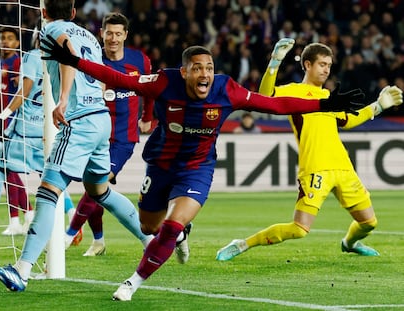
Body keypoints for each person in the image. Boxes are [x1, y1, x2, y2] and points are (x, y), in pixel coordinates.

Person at [34, 33, 367, 301]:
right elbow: (120, 79)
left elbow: (275, 104)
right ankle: (179, 235)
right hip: (162, 165)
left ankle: (133, 282)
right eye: (197, 68)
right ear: (184, 72)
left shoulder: (227, 89)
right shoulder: (164, 83)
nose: (204, 74)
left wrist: (324, 103)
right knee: (150, 226)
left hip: (198, 168)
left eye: (208, 67)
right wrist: (76, 62)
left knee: (171, 225)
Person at [0, 0, 152, 292]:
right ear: (74, 12)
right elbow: (99, 75)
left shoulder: (52, 29)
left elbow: (68, 55)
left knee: (48, 191)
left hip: (78, 120)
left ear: (43, 11)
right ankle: (150, 242)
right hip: (101, 119)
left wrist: (64, 99)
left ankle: (21, 270)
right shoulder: (89, 35)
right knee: (99, 191)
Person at [216, 40, 403, 262]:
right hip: (315, 169)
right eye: (322, 64)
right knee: (299, 229)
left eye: (329, 65)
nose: (326, 69)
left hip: (343, 168)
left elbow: (348, 120)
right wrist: (274, 62)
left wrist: (378, 106)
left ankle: (349, 243)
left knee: (369, 223)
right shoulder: (293, 91)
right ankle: (242, 244)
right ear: (307, 64)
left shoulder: (329, 97)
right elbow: (265, 98)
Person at [64, 12, 155, 257]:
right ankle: (99, 240)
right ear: (101, 34)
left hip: (123, 139)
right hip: (94, 133)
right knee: (93, 188)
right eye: (109, 33)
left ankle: (70, 233)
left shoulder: (140, 61)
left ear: (125, 35)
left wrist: (147, 118)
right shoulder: (93, 59)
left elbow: (150, 91)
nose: (113, 38)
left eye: (118, 33)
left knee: (97, 184)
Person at [0, 29, 76, 236]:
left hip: (23, 129)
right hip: (46, 129)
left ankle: (17, 217)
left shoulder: (30, 57)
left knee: (0, 170)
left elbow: (24, 92)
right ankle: (73, 216)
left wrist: (4, 114)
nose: (5, 42)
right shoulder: (61, 61)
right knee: (50, 176)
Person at [0, 26, 33, 235]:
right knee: (8, 173)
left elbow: (27, 88)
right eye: (2, 38)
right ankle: (17, 220)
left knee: (9, 171)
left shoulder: (18, 62)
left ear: (17, 43)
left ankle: (27, 214)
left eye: (9, 38)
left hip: (12, 126)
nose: (5, 42)